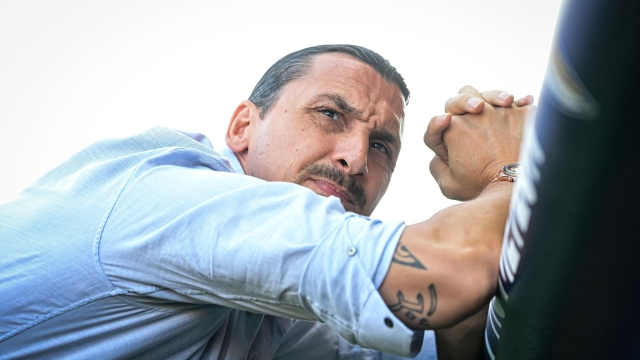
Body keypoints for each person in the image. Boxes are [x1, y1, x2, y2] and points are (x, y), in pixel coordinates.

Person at [0, 44, 533, 359]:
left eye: (382, 145)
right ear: (242, 128)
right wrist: (509, 170)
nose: (356, 158)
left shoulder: (275, 300)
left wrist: (492, 194)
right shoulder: (172, 201)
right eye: (330, 114)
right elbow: (445, 273)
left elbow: (454, 334)